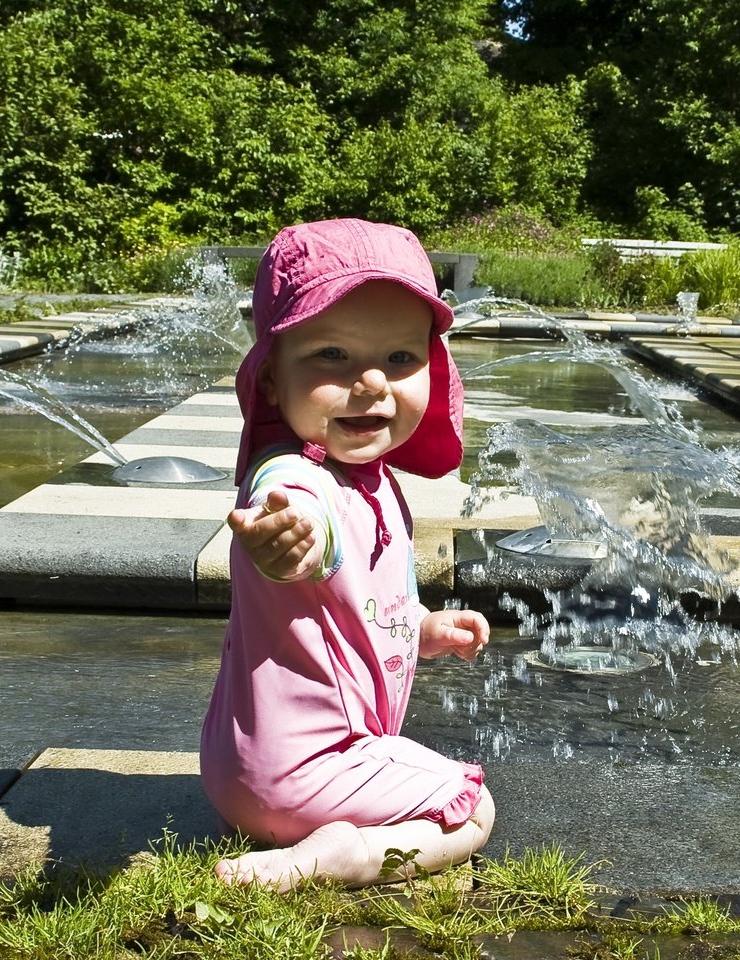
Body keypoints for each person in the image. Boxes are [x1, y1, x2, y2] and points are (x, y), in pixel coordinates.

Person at [200, 218, 494, 892]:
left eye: (399, 359)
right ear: (272, 379)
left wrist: (420, 631)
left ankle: (305, 831)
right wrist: (284, 542)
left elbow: (350, 606)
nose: (370, 383)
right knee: (474, 808)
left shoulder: (374, 479)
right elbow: (303, 538)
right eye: (332, 355)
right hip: (308, 775)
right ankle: (345, 856)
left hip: (238, 772)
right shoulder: (295, 482)